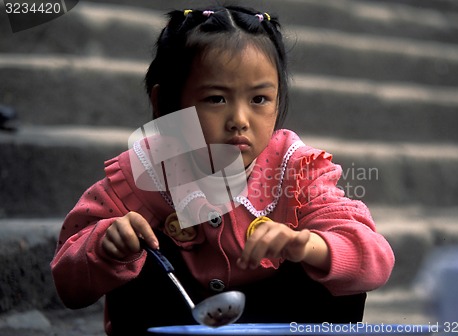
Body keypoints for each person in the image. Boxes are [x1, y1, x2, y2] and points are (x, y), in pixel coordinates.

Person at [51, 5, 395, 335]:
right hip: (178, 318)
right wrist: (107, 245)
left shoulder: (297, 171)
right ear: (164, 105)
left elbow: (374, 259)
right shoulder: (141, 175)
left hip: (279, 323)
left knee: (332, 268)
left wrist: (304, 244)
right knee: (139, 253)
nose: (240, 121)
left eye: (259, 99)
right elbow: (68, 285)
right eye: (216, 98)